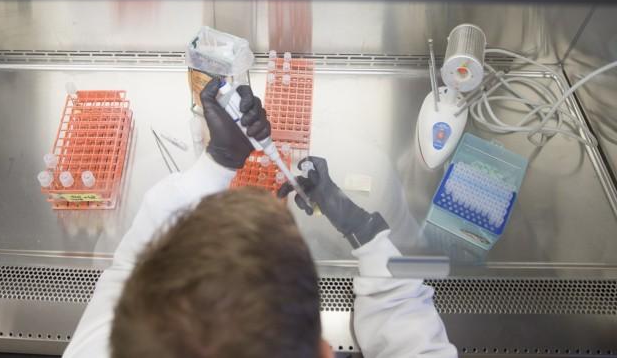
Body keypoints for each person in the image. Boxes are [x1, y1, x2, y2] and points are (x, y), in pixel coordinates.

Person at [64, 78, 456, 358]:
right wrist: (367, 235)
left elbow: (131, 269)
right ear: (324, 352)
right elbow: (412, 337)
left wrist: (220, 160)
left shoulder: (107, 348)